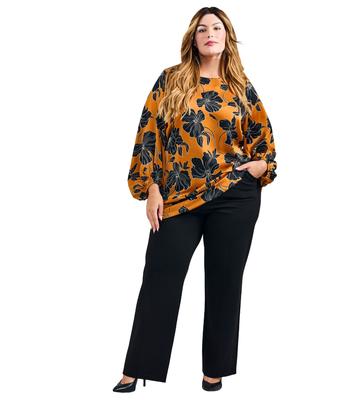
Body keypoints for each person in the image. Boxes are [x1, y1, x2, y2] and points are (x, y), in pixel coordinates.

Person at [113, 6, 277, 393]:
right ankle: (136, 368)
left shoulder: (240, 86)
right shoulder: (170, 80)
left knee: (224, 283)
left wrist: (260, 167)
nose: (209, 34)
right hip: (177, 196)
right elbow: (149, 135)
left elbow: (263, 139)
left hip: (234, 195)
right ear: (193, 37)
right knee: (160, 279)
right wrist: (151, 188)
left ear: (227, 37)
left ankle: (214, 370)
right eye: (202, 29)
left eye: (217, 28)